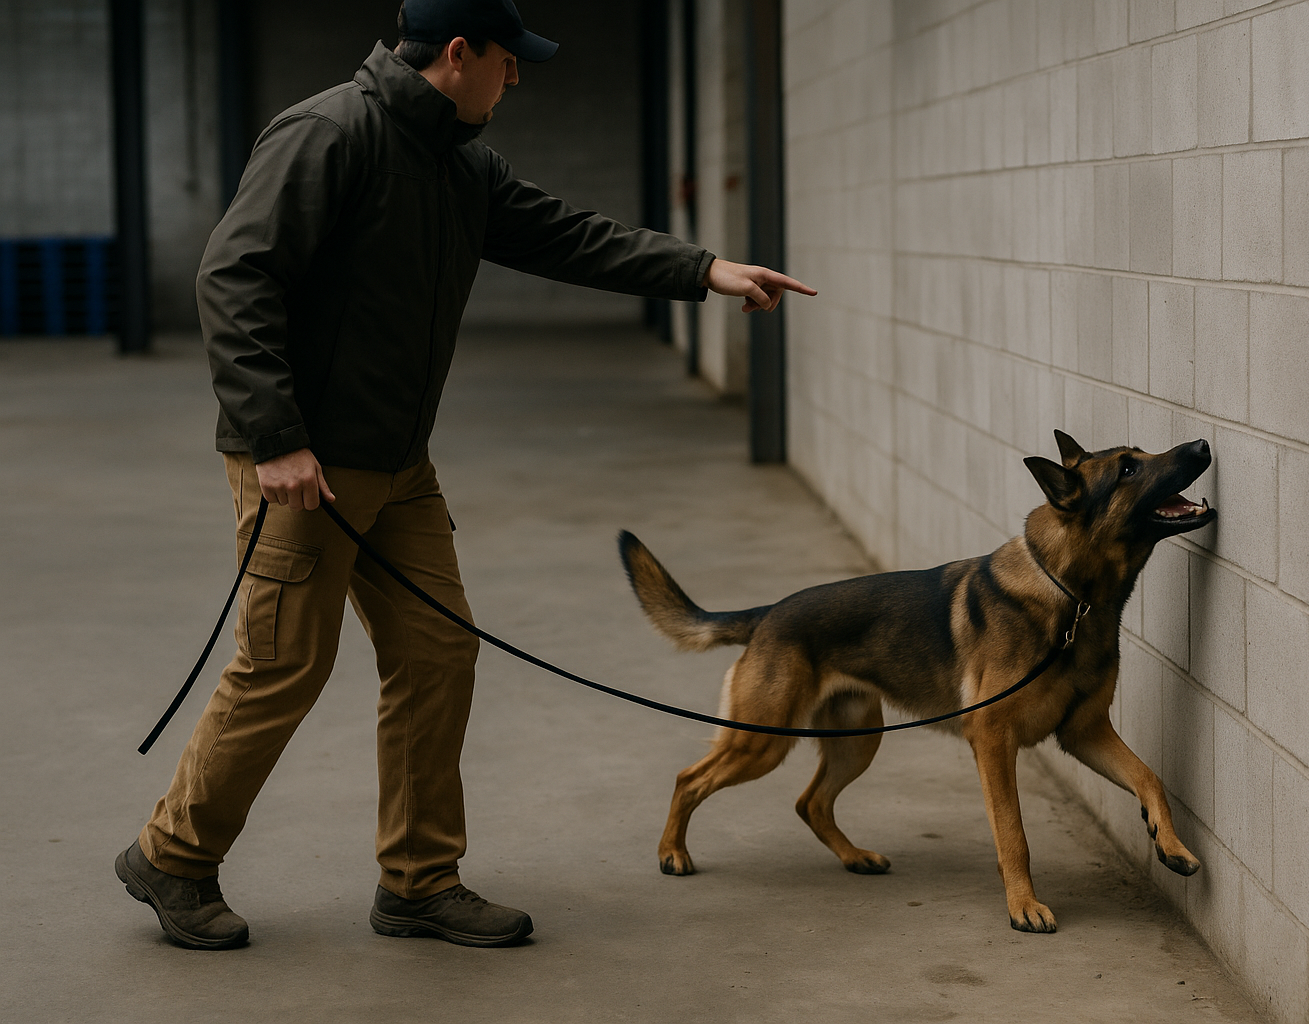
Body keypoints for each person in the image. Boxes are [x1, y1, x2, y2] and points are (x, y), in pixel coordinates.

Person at [115, 0, 814, 951]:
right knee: (282, 667)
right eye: (506, 60)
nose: (515, 77)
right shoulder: (329, 134)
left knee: (438, 654)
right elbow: (233, 278)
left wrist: (702, 269)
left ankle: (417, 880)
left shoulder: (459, 161)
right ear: (457, 52)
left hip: (398, 468)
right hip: (305, 464)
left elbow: (564, 235)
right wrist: (274, 436)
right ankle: (173, 856)